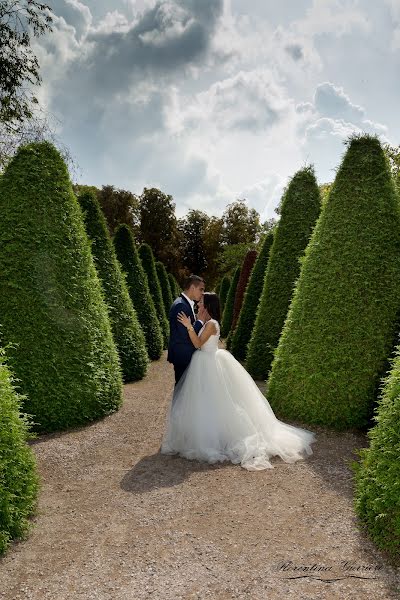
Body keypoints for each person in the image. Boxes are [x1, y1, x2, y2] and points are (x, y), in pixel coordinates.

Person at [161, 292, 316, 471]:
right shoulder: (207, 322)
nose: (199, 304)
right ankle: (212, 434)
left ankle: (217, 437)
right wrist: (197, 321)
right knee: (208, 403)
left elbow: (197, 344)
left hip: (208, 364)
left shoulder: (211, 324)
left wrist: (189, 326)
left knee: (217, 402)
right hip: (205, 363)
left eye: (202, 302)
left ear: (209, 305)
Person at [167, 274, 206, 386]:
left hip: (184, 353)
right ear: (192, 288)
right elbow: (185, 335)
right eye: (201, 289)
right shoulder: (181, 305)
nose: (202, 293)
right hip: (183, 354)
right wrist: (200, 322)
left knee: (185, 390)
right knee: (182, 390)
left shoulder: (184, 303)